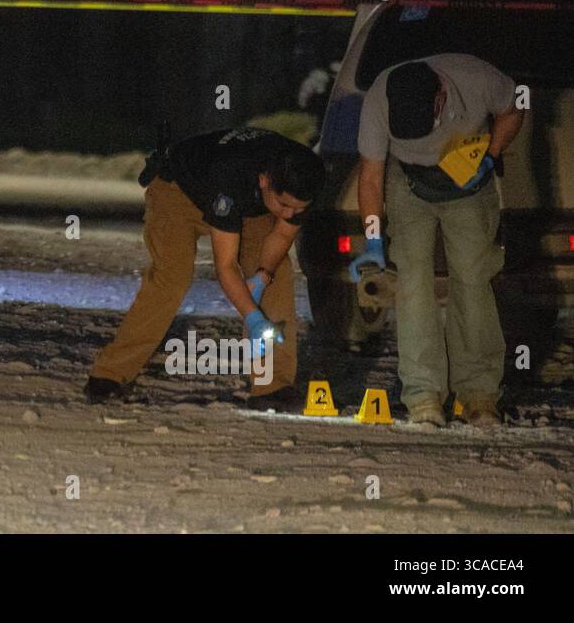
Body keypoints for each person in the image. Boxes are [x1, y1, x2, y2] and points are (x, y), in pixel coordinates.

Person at [86, 127, 325, 406]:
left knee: (278, 274)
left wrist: (263, 276)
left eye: (297, 210)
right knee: (171, 279)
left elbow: (282, 234)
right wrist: (253, 316)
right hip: (179, 191)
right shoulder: (229, 174)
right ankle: (109, 374)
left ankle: (272, 384)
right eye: (284, 205)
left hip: (251, 205)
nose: (289, 214)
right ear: (264, 180)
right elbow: (225, 266)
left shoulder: (303, 177)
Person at [348, 55, 523, 427]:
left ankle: (479, 394)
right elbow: (370, 177)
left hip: (469, 182)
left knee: (473, 280)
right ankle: (423, 396)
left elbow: (515, 107)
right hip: (409, 183)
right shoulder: (380, 97)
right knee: (412, 283)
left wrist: (490, 157)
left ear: (441, 97)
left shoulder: (478, 78)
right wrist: (374, 239)